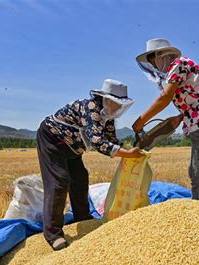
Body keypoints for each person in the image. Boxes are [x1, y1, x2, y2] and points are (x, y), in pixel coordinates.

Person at [37, 79, 145, 250]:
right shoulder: (91, 108)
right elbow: (98, 143)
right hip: (53, 140)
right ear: (106, 99)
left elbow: (111, 139)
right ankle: (53, 234)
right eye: (116, 104)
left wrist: (130, 149)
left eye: (121, 105)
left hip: (73, 147)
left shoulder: (107, 116)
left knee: (80, 178)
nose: (118, 108)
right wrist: (127, 155)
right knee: (59, 182)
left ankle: (82, 217)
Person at [133, 38, 199, 204]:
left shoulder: (178, 64)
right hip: (198, 120)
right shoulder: (177, 69)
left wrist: (140, 121)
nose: (153, 65)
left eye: (153, 60)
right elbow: (194, 96)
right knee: (195, 170)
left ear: (162, 55)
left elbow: (164, 98)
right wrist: (179, 117)